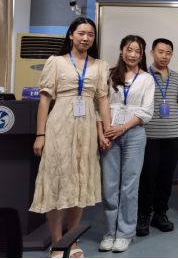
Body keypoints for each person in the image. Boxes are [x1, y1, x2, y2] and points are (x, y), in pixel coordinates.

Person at [30, 18, 111, 259]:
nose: (86, 38)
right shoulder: (55, 62)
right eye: (81, 33)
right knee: (58, 181)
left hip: (87, 129)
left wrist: (106, 131)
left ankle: (73, 241)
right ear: (71, 35)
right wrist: (40, 134)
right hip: (59, 127)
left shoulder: (101, 66)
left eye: (90, 34)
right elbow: (44, 100)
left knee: (80, 183)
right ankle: (57, 243)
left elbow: (102, 100)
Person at [98, 35, 155, 253]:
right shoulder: (109, 75)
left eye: (137, 51)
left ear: (142, 55)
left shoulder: (147, 79)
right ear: (122, 51)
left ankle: (124, 234)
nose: (133, 55)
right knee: (109, 186)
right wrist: (102, 133)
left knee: (130, 186)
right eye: (129, 50)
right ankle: (109, 232)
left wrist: (122, 128)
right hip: (109, 134)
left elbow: (146, 111)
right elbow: (98, 105)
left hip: (134, 134)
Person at [137, 39, 178, 237]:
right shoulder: (143, 76)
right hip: (149, 135)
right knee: (147, 178)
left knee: (166, 178)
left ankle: (160, 214)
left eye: (168, 53)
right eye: (161, 52)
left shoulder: (176, 77)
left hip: (173, 134)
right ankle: (143, 215)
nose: (164, 56)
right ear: (152, 53)